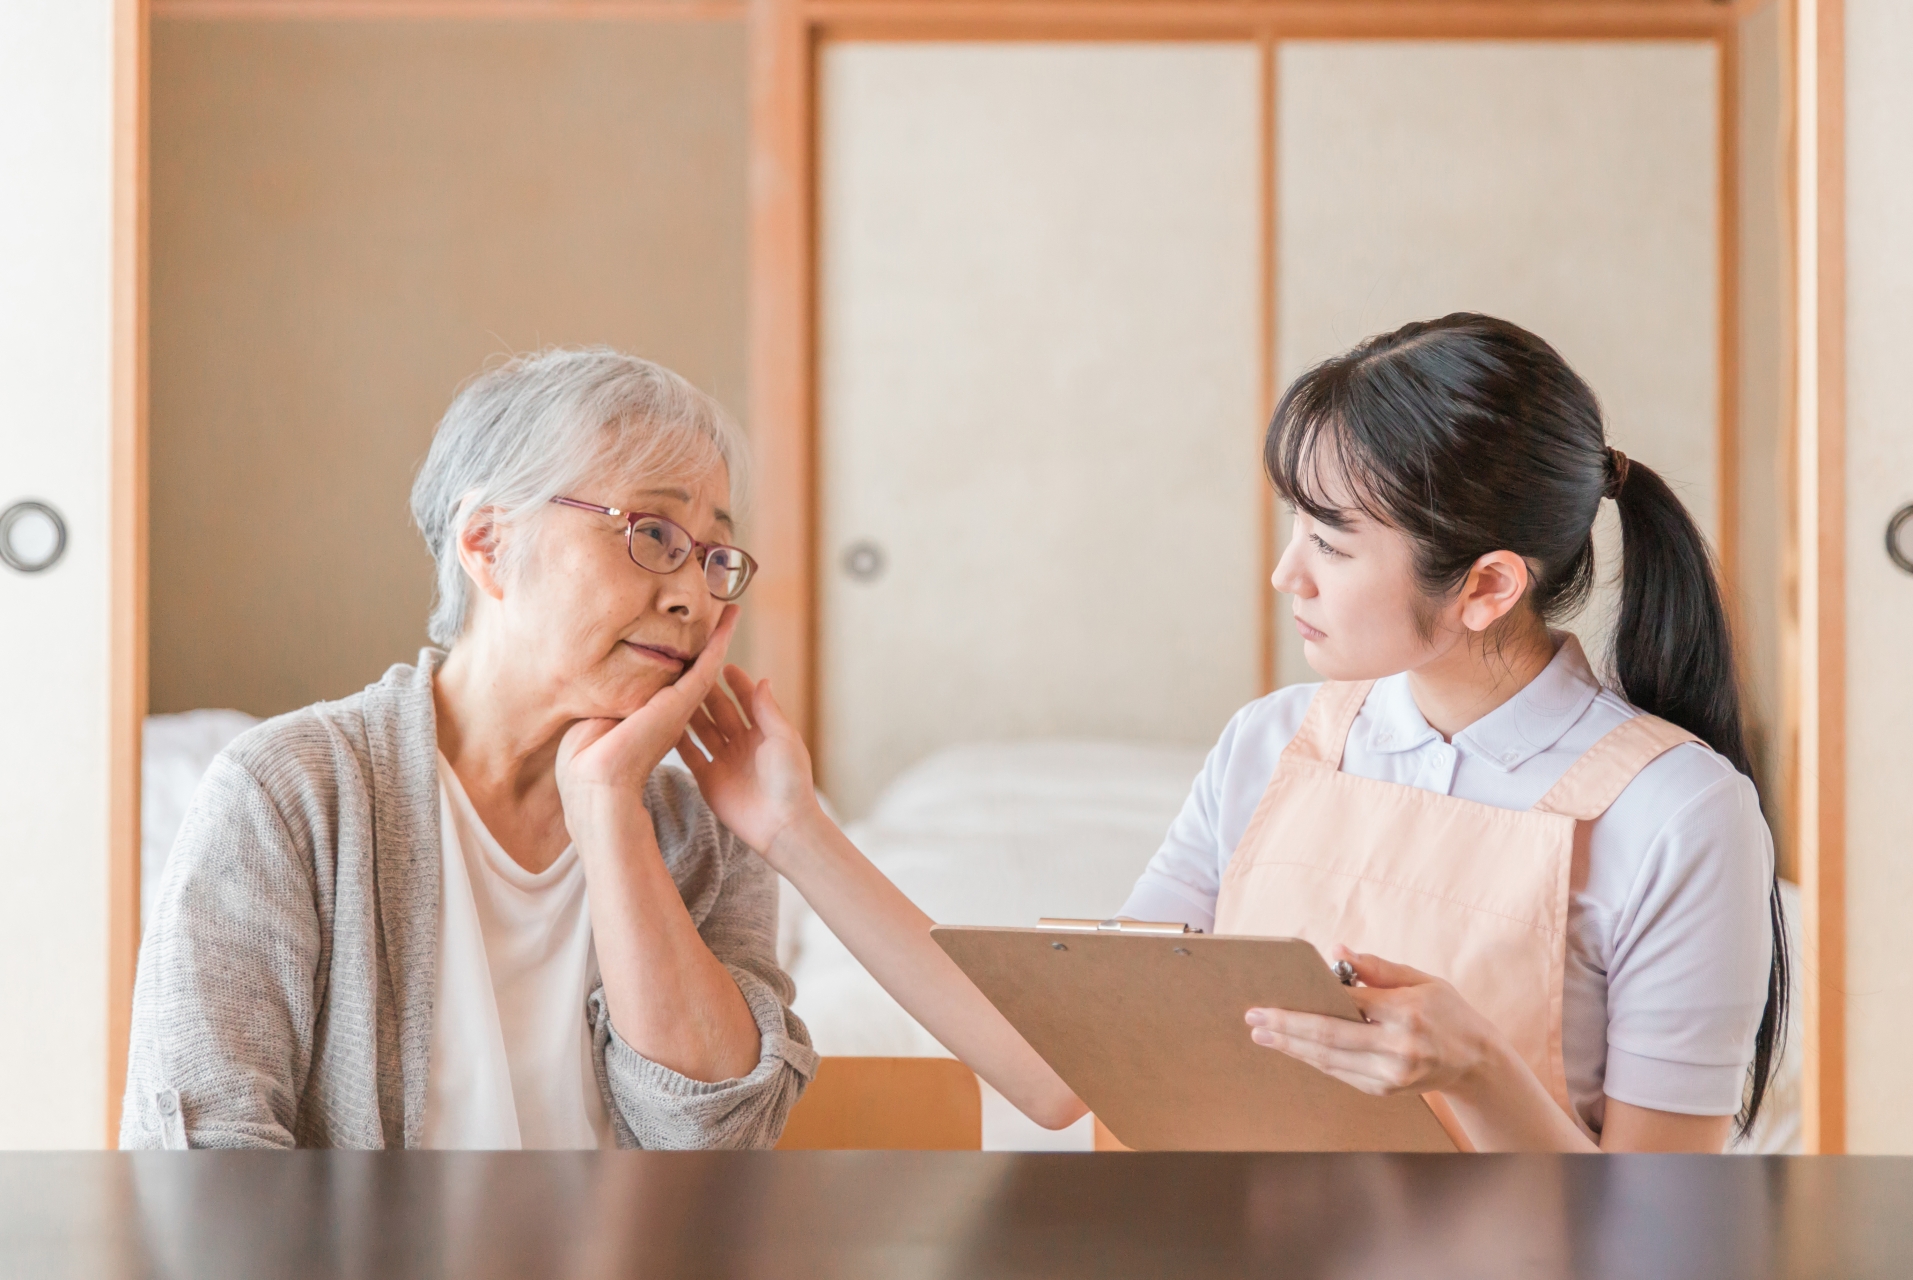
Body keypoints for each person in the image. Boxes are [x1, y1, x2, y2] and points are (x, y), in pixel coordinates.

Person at [679, 314, 1786, 1153]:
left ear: (1488, 584)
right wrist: (791, 825)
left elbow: (1663, 1241)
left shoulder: (1678, 812)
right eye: (1292, 527)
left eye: (1333, 544)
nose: (1284, 575)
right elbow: (1054, 1068)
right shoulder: (1270, 744)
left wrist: (1478, 1071)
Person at [121, 349, 815, 1150]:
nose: (690, 595)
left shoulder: (707, 830)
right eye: (652, 533)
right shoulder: (287, 792)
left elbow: (719, 1149)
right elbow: (202, 1171)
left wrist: (611, 812)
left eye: (711, 555)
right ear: (487, 543)